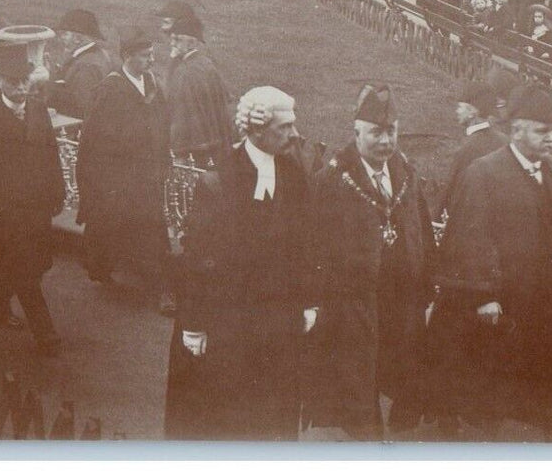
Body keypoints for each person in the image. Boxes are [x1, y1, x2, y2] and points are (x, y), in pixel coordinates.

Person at [432, 84, 552, 439]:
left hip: (550, 302)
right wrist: (484, 294)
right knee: (500, 392)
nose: (550, 139)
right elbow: (472, 235)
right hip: (508, 305)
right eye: (541, 131)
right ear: (517, 130)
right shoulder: (484, 172)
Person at [165, 86, 319, 440]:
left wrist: (309, 300)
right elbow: (198, 259)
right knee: (224, 420)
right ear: (258, 130)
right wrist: (194, 324)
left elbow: (306, 245)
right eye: (284, 128)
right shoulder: (220, 180)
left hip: (277, 324)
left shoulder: (294, 175)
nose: (294, 134)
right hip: (227, 325)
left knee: (271, 420)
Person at [309, 84, 436, 439]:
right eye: (376, 133)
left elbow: (421, 231)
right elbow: (316, 245)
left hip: (400, 296)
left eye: (391, 132)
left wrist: (426, 289)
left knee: (402, 363)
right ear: (357, 133)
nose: (385, 141)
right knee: (357, 373)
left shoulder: (405, 175)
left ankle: (400, 427)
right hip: (354, 299)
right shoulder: (334, 180)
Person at [0, 43, 65, 355]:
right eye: (13, 81)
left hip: (36, 209)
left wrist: (58, 192)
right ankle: (46, 335)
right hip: (4, 214)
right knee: (25, 272)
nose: (21, 87)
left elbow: (52, 155)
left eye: (25, 80)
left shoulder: (38, 111)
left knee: (36, 264)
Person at [75, 29, 175, 314]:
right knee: (112, 228)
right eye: (145, 56)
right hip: (118, 178)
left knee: (151, 233)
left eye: (153, 55)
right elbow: (94, 138)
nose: (151, 61)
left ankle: (162, 290)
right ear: (128, 57)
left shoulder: (152, 84)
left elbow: (163, 122)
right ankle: (102, 270)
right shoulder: (111, 89)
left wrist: (162, 157)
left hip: (146, 176)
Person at [166, 15, 235, 164]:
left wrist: (177, 153)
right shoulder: (207, 64)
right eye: (172, 39)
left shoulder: (183, 72)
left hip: (194, 150)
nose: (172, 43)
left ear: (192, 43)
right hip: (217, 143)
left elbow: (180, 118)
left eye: (177, 39)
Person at [439, 81, 509, 214]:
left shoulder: (467, 148)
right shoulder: (504, 140)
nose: (457, 111)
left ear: (472, 112)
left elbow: (450, 190)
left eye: (460, 107)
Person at [50, 8, 114, 119]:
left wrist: (47, 84)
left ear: (77, 38)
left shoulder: (87, 66)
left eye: (65, 34)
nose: (60, 38)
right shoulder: (95, 54)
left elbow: (81, 108)